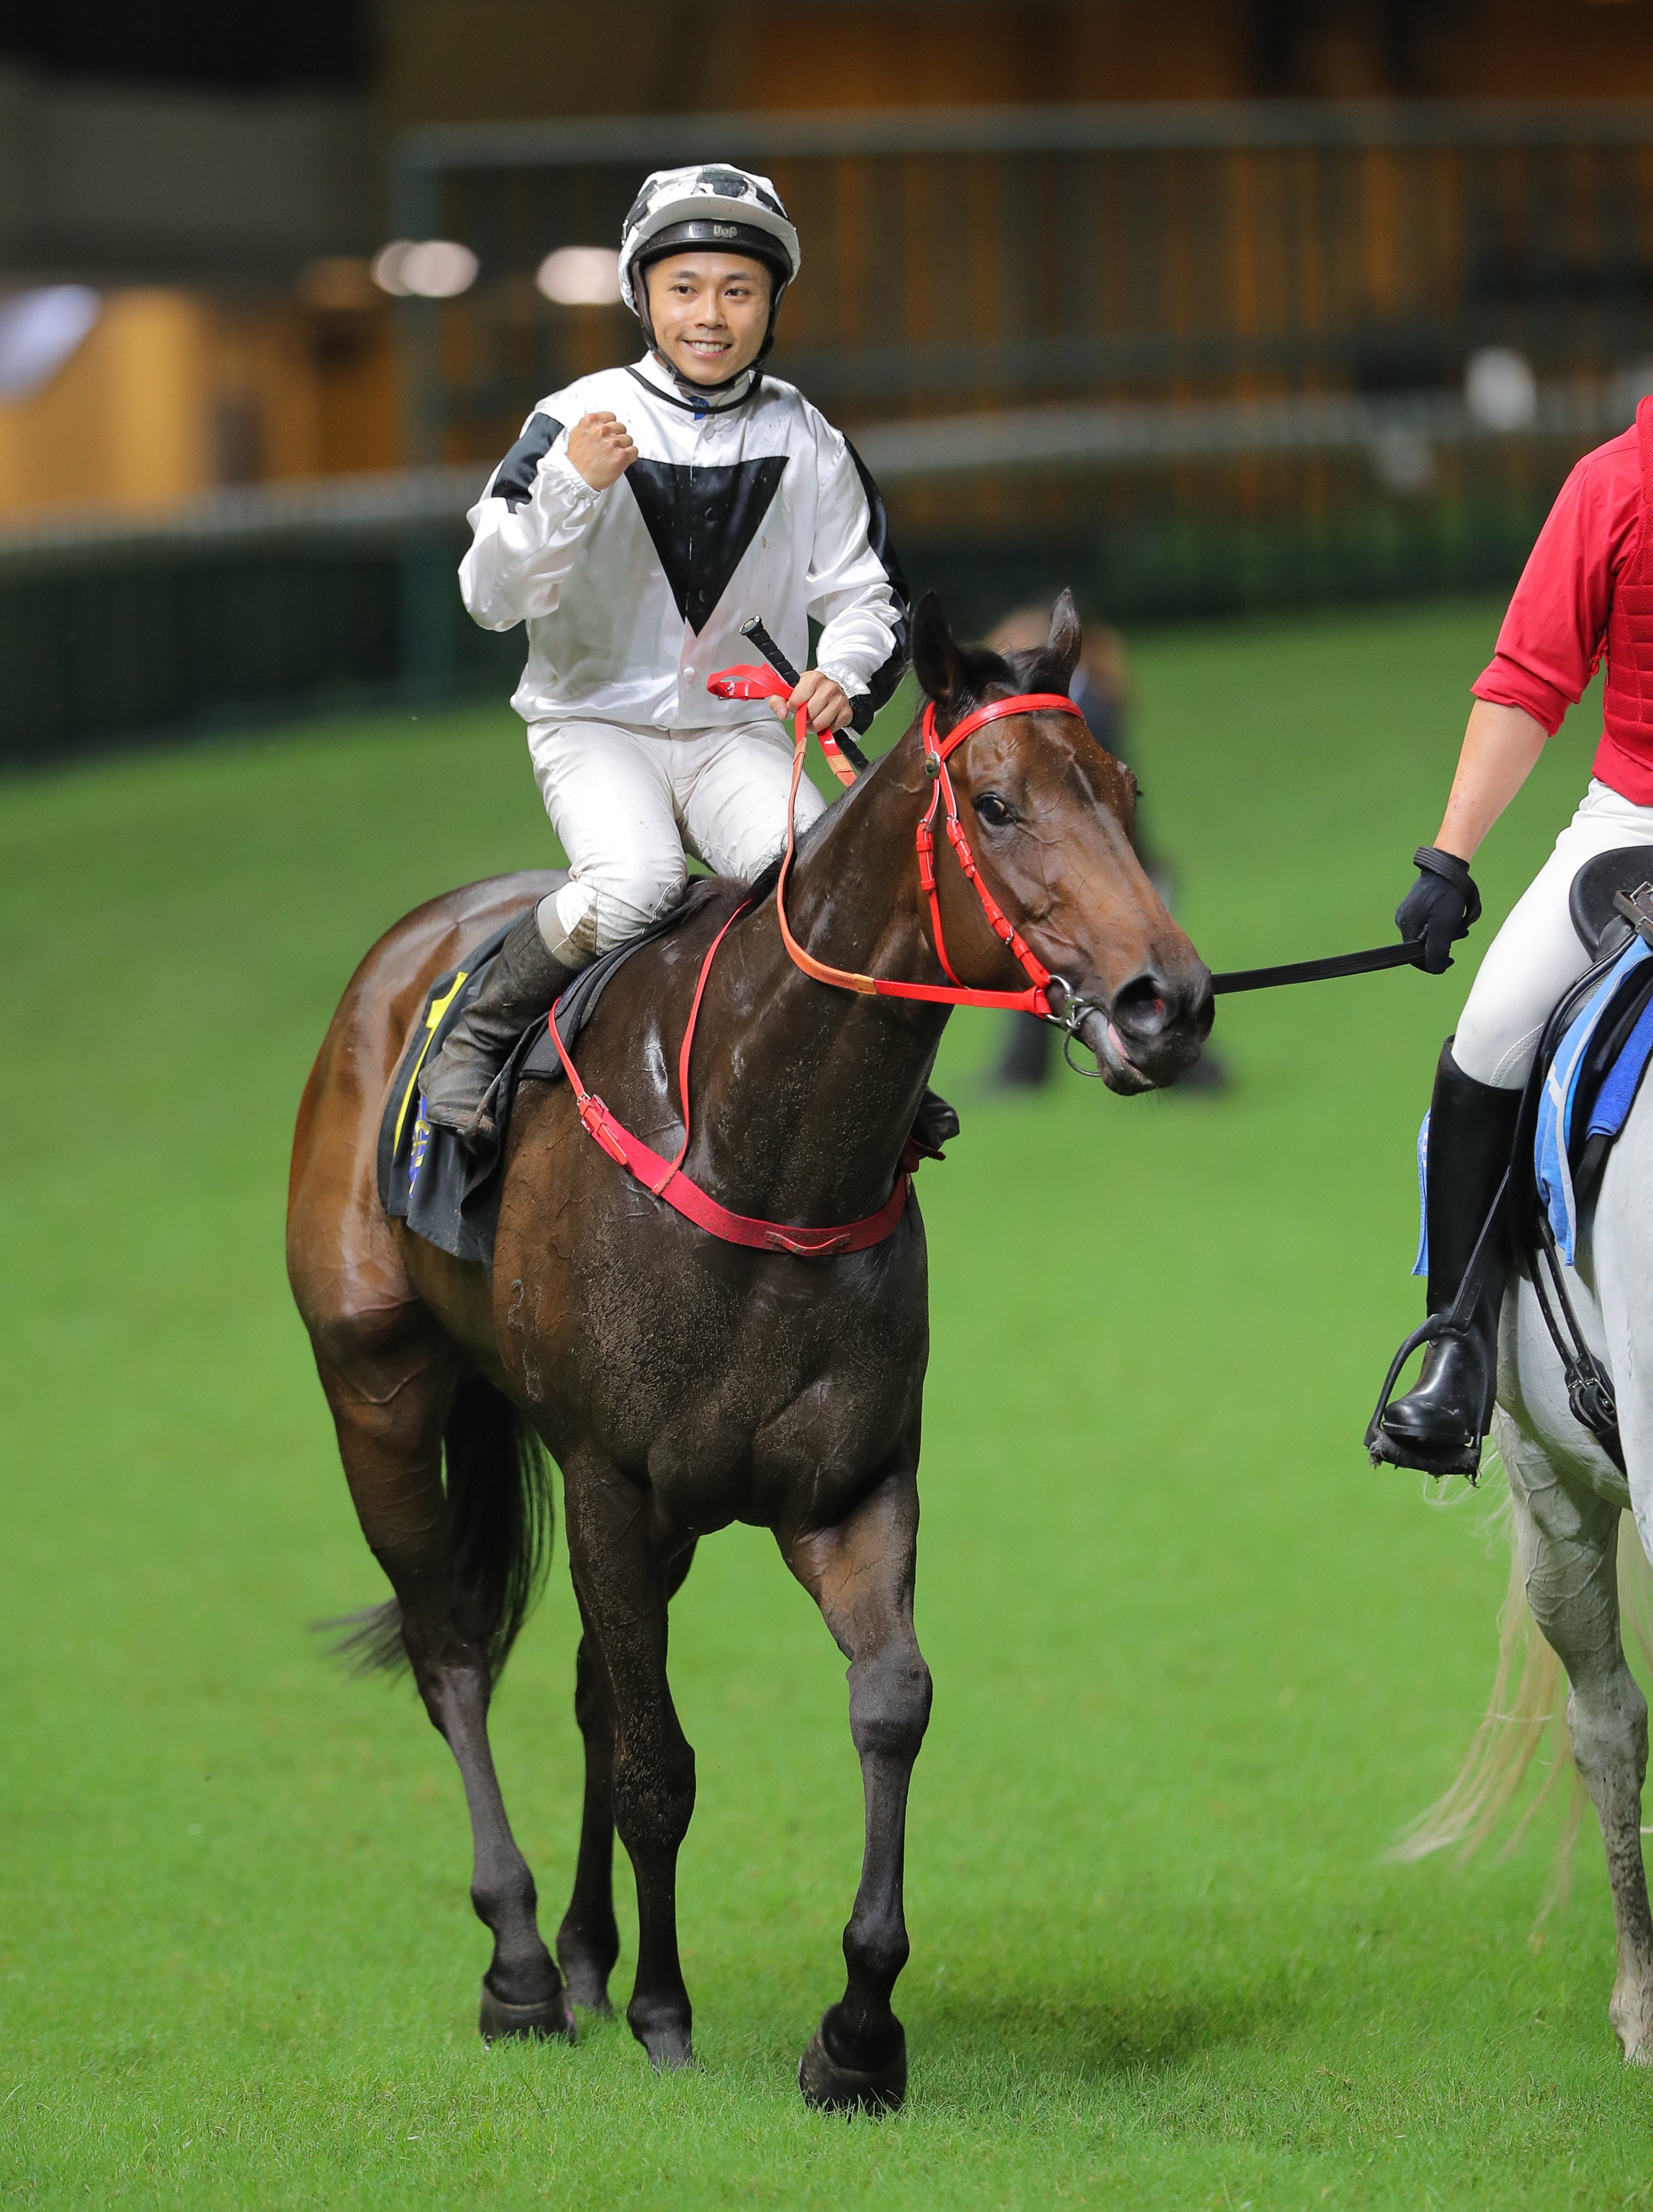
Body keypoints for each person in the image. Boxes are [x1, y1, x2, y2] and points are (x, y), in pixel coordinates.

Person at [420, 163, 909, 1144]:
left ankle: (860, 1091)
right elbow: (488, 597)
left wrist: (841, 676)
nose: (712, 316)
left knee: (821, 895)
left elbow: (866, 596)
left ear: (773, 304)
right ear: (642, 296)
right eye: (686, 288)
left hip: (736, 730)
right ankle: (477, 1031)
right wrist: (568, 487)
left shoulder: (807, 434)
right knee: (634, 882)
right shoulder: (575, 417)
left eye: (739, 290)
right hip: (594, 721)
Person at [1371, 394, 1653, 1475]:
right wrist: (1453, 855)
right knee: (1492, 1030)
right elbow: (1532, 680)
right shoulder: (1613, 484)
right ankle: (1458, 1350)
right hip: (1637, 820)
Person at [983, 606, 1226, 1093]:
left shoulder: (1082, 713)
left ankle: (1197, 1073)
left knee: (1134, 985)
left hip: (1112, 871)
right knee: (1065, 975)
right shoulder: (1090, 702)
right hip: (1117, 866)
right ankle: (1020, 1074)